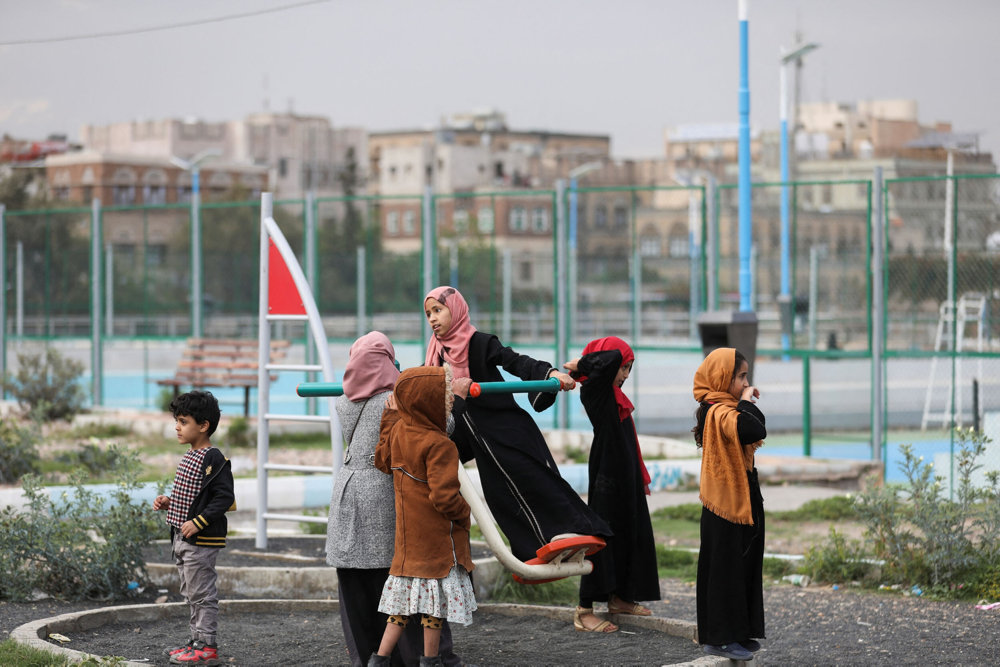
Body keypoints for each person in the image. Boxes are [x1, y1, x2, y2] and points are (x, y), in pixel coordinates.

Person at [422, 285, 611, 563]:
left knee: (534, 476)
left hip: (503, 426)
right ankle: (529, 553)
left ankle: (578, 530)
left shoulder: (480, 342)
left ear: (457, 310)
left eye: (438, 310)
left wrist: (551, 374)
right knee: (499, 496)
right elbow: (423, 388)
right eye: (428, 314)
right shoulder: (435, 354)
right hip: (471, 432)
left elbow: (514, 361)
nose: (433, 319)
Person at [326, 332, 460, 667]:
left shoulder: (344, 400)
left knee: (355, 585)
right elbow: (440, 425)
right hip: (383, 497)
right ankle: (419, 659)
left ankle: (368, 657)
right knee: (405, 580)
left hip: (346, 494)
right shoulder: (395, 402)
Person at [368, 365, 477, 667]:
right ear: (427, 402)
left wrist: (389, 418)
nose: (450, 401)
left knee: (399, 609)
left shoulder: (401, 431)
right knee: (433, 611)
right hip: (435, 546)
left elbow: (382, 460)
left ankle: (379, 660)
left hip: (407, 543)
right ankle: (429, 661)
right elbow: (444, 498)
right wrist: (464, 512)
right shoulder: (441, 445)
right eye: (444, 396)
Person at [563, 336, 660, 634]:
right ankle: (584, 609)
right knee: (602, 537)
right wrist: (583, 364)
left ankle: (620, 597)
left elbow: (613, 359)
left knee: (630, 530)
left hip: (624, 470)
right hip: (607, 469)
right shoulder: (596, 390)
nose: (625, 375)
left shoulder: (615, 393)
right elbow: (610, 358)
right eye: (623, 368)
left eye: (629, 369)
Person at [691, 347, 767, 662]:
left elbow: (751, 428)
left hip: (740, 496)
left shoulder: (726, 408)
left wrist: (743, 400)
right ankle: (718, 638)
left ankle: (737, 632)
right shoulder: (717, 411)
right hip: (724, 502)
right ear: (723, 377)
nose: (745, 383)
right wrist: (746, 401)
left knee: (741, 566)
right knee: (723, 568)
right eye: (740, 376)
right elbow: (754, 428)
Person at [152, 390, 235, 666]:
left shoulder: (213, 458)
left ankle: (207, 646)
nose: (177, 426)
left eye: (183, 421)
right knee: (191, 592)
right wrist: (170, 503)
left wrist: (198, 523)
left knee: (202, 594)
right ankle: (196, 641)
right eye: (177, 420)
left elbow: (223, 497)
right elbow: (194, 499)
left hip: (200, 541)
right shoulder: (190, 455)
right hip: (182, 538)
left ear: (203, 426)